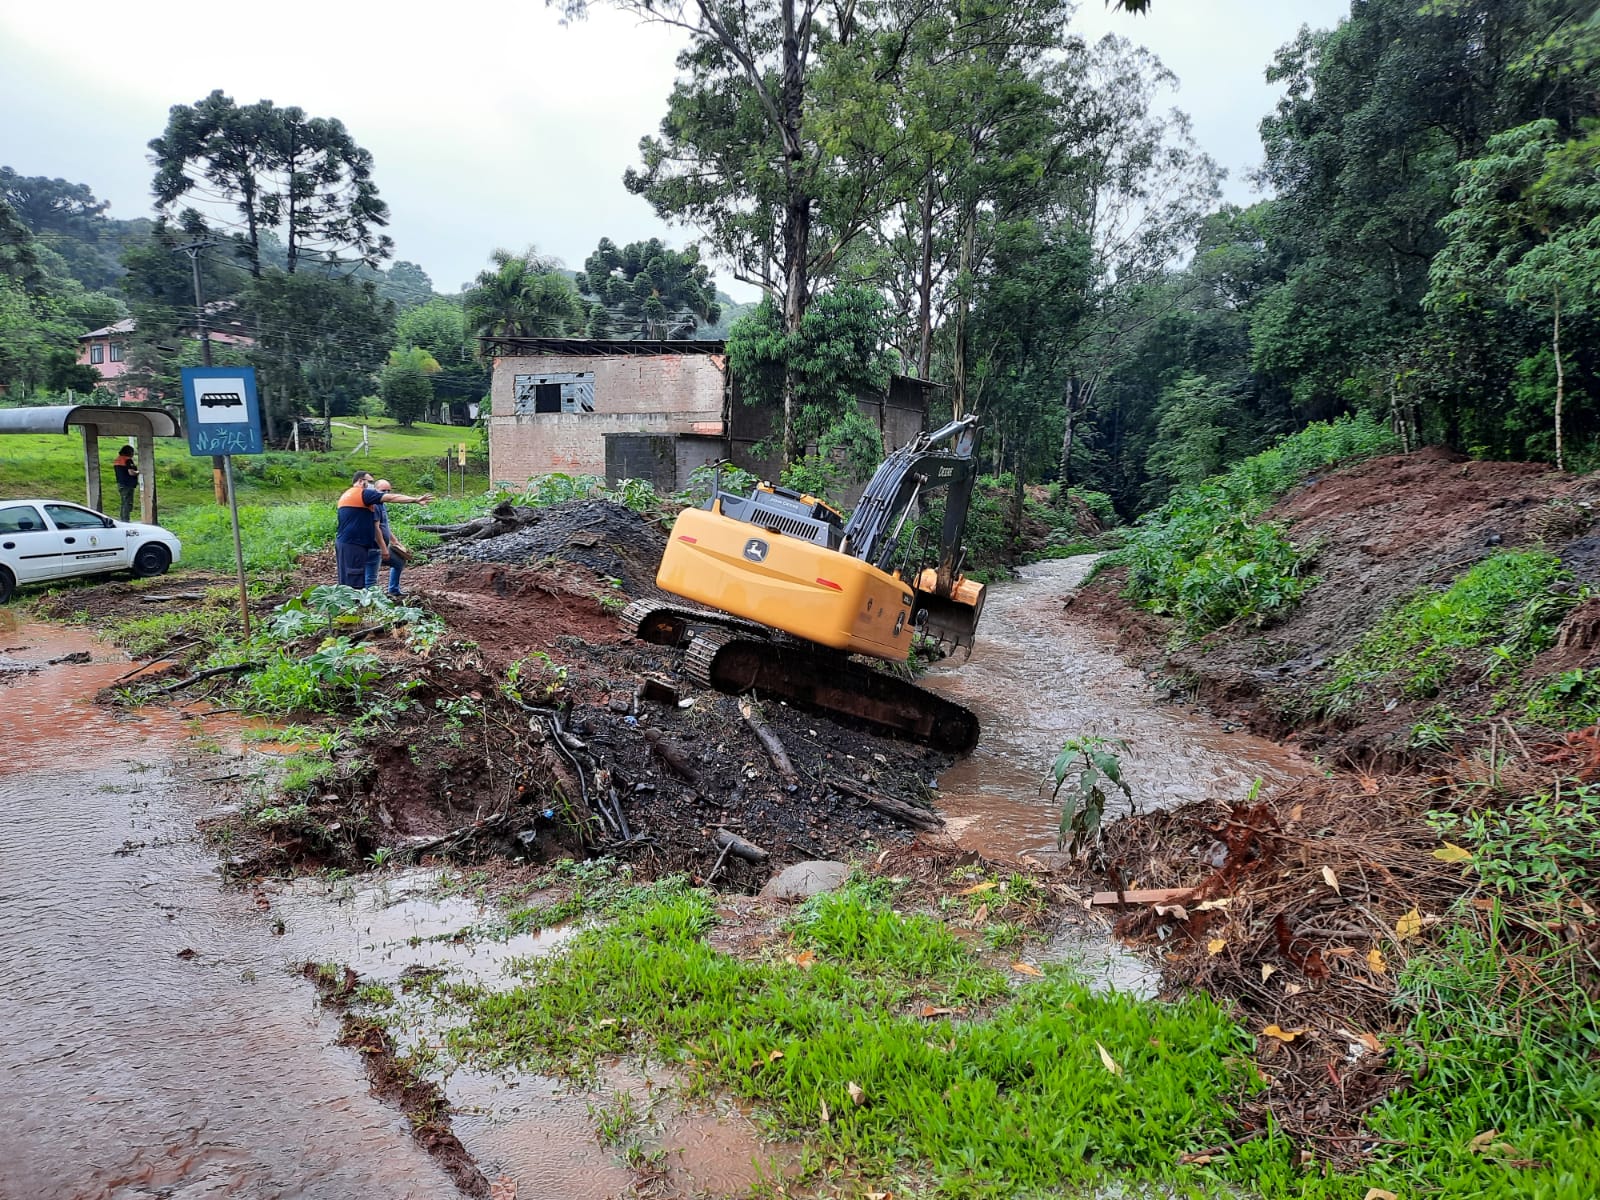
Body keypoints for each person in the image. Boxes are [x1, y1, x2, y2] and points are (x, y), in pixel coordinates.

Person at [335, 472, 431, 589]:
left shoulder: (347, 495)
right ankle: (357, 604)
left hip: (347, 542)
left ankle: (352, 601)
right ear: (360, 481)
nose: (371, 485)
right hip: (356, 544)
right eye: (369, 482)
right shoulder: (363, 494)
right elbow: (392, 498)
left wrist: (394, 542)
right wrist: (415, 500)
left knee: (348, 576)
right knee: (356, 577)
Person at [365, 479, 419, 597]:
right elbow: (376, 529)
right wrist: (383, 549)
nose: (386, 493)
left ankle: (394, 589)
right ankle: (369, 602)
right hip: (374, 547)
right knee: (370, 578)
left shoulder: (382, 505)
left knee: (399, 562)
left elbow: (385, 527)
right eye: (383, 490)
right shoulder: (373, 506)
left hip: (382, 545)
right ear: (375, 490)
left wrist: (396, 543)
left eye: (388, 490)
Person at [112, 445, 138, 522]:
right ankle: (125, 520)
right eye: (132, 452)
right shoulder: (128, 460)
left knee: (124, 502)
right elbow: (131, 472)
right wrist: (139, 472)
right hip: (128, 485)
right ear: (129, 452)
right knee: (127, 503)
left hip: (121, 484)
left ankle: (123, 519)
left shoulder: (117, 460)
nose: (133, 454)